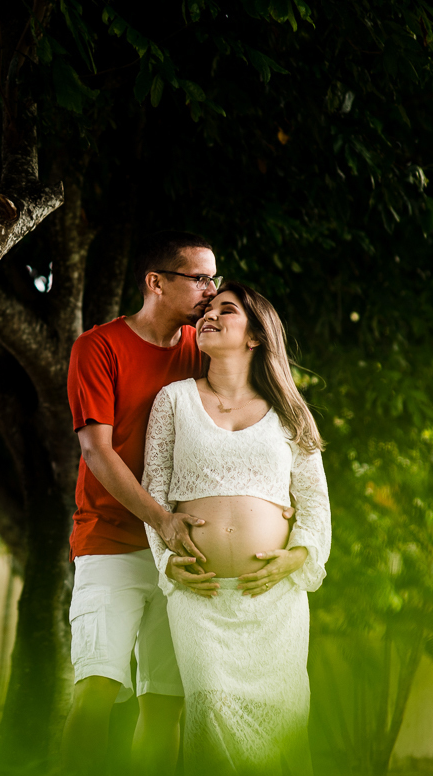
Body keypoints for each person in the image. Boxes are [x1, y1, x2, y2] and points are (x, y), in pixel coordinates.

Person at [60, 232, 292, 775]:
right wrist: (162, 520)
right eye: (200, 279)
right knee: (96, 687)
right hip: (111, 542)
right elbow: (96, 451)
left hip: (182, 558)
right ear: (156, 283)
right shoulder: (97, 347)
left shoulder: (201, 348)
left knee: (164, 703)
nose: (210, 291)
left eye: (215, 279)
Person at [143, 283, 331, 776]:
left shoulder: (290, 412)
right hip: (200, 602)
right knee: (211, 715)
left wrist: (300, 556)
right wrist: (167, 564)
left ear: (255, 337)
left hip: (274, 604)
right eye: (207, 309)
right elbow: (154, 495)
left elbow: (314, 503)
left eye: (227, 310)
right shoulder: (174, 400)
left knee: (281, 726)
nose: (210, 315)